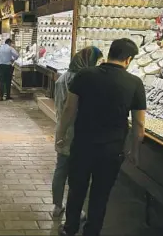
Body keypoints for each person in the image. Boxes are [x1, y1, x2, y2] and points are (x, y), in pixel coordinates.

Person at [57, 38, 146, 236]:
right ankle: (92, 231)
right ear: (128, 59)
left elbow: (69, 108)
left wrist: (61, 134)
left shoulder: (84, 75)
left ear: (110, 52)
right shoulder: (135, 83)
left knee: (77, 188)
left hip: (82, 145)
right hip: (111, 150)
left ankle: (70, 228)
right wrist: (135, 150)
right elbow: (139, 125)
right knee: (100, 194)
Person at [52, 47, 104, 219]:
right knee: (78, 173)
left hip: (62, 129)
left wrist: (60, 132)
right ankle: (75, 209)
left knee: (60, 170)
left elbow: (59, 107)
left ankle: (57, 206)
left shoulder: (61, 79)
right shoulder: (86, 81)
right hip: (80, 132)